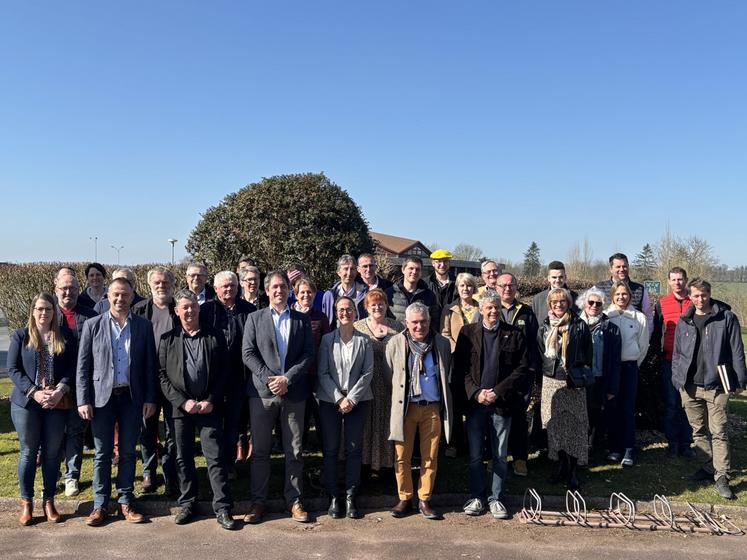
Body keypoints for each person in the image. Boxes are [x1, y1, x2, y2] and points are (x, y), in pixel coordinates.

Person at [76, 277, 158, 526]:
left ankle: (125, 501)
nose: (120, 299)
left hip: (132, 399)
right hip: (102, 399)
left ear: (133, 297)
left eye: (125, 295)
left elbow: (150, 366)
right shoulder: (93, 325)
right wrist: (83, 400)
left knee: (127, 452)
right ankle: (100, 505)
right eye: (116, 295)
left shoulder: (143, 326)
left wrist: (151, 398)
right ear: (108, 297)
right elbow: (83, 366)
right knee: (101, 454)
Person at [241, 271, 315, 524]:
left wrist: (287, 379)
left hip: (293, 393)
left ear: (289, 289)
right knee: (260, 451)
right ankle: (258, 502)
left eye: (283, 286)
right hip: (262, 394)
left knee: (294, 450)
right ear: (266, 290)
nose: (279, 291)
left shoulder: (301, 320)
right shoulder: (254, 318)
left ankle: (294, 501)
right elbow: (248, 353)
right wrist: (270, 379)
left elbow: (308, 354)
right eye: (274, 287)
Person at [158, 289, 236, 529]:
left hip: (209, 407)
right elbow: (162, 376)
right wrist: (182, 402)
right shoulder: (167, 339)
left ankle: (222, 507)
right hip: (181, 409)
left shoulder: (215, 336)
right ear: (177, 311)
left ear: (198, 308)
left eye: (193, 306)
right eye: (184, 307)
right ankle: (188, 503)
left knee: (215, 457)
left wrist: (211, 399)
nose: (189, 311)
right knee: (183, 457)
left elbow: (225, 372)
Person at [454, 294, 530, 519]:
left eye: (496, 307)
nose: (493, 311)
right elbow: (460, 369)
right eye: (488, 307)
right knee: (476, 455)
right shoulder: (467, 333)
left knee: (499, 455)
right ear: (481, 308)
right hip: (476, 404)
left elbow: (522, 368)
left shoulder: (515, 334)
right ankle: (477, 496)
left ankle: (496, 498)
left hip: (501, 404)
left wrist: (497, 392)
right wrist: (477, 394)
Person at [672, 278, 747, 500]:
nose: (700, 299)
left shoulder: (726, 318)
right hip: (690, 385)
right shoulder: (684, 320)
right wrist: (677, 380)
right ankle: (708, 467)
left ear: (709, 294)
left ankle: (722, 476)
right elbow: (677, 353)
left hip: (718, 385)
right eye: (695, 295)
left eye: (703, 295)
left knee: (719, 432)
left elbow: (737, 351)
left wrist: (740, 380)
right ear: (690, 296)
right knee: (698, 432)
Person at [7, 293, 76, 525]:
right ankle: (27, 503)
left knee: (52, 453)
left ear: (54, 312)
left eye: (48, 309)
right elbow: (13, 369)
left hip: (56, 403)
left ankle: (49, 501)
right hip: (27, 404)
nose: (43, 313)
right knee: (28, 452)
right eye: (39, 309)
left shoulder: (63, 336)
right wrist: (35, 392)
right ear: (32, 311)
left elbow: (72, 368)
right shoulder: (20, 335)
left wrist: (59, 391)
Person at [386, 302, 453, 520]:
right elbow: (390, 375)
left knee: (430, 457)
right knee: (402, 456)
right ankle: (404, 498)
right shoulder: (396, 343)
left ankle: (424, 498)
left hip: (432, 408)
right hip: (405, 408)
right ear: (406, 323)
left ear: (429, 321)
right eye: (414, 322)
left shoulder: (441, 344)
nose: (419, 326)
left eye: (423, 321)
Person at [316, 296, 374, 519]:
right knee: (330, 449)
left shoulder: (364, 341)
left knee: (353, 450)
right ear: (336, 312)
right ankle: (333, 496)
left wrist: (351, 398)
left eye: (349, 309)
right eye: (341, 309)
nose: (345, 313)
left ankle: (350, 495)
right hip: (330, 401)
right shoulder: (327, 339)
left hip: (357, 401)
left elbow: (367, 372)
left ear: (355, 312)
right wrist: (339, 398)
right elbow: (322, 372)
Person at [200, 271, 256, 473]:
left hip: (238, 377)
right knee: (214, 425)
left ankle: (229, 464)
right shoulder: (206, 310)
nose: (229, 289)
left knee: (233, 424)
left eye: (232, 285)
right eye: (224, 286)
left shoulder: (249, 310)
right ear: (215, 289)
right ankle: (215, 465)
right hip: (213, 378)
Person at [537, 288, 592, 490]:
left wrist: (580, 375)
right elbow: (539, 353)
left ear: (568, 303)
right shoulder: (544, 327)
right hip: (552, 381)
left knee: (575, 427)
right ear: (549, 305)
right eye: (554, 302)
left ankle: (573, 471)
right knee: (555, 427)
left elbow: (588, 355)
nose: (558, 305)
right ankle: (559, 465)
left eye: (562, 301)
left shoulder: (579, 325)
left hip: (574, 383)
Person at [132, 266, 180, 496]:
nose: (161, 286)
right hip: (147, 379)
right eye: (157, 283)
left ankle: (171, 473)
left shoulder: (179, 309)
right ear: (149, 285)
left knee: (173, 429)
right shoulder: (139, 310)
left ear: (173, 285)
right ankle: (149, 471)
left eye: (165, 282)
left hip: (174, 380)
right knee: (147, 429)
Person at [53, 267, 97, 497]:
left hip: (81, 386)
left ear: (79, 290)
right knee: (54, 433)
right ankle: (54, 474)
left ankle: (72, 476)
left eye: (72, 288)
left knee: (75, 432)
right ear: (56, 289)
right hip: (54, 386)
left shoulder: (90, 316)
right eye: (64, 288)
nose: (68, 292)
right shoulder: (48, 314)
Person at [353, 288, 402, 472]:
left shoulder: (397, 327)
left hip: (390, 385)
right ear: (366, 307)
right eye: (373, 304)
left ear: (386, 305)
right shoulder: (358, 327)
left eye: (381, 303)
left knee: (388, 424)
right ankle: (366, 465)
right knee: (366, 424)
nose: (377, 307)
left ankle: (387, 466)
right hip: (366, 385)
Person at [496, 272, 539, 477]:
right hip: (497, 376)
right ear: (496, 288)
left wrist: (531, 369)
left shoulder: (526, 312)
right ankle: (497, 457)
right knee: (497, 417)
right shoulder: (490, 309)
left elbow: (534, 344)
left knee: (519, 416)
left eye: (511, 285)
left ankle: (520, 458)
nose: (507, 289)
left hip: (522, 374)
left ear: (516, 288)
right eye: (503, 285)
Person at [651, 267, 695, 458]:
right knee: (671, 404)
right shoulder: (662, 304)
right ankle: (672, 443)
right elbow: (656, 332)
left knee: (688, 404)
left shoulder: (694, 302)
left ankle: (686, 443)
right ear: (669, 281)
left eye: (680, 279)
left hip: (691, 362)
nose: (677, 283)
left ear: (685, 280)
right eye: (674, 279)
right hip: (669, 361)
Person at [605, 280, 649, 467]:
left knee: (628, 409)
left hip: (630, 367)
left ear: (630, 296)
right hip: (611, 370)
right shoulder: (606, 315)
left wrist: (633, 362)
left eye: (625, 294)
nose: (621, 297)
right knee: (611, 408)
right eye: (618, 294)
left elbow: (643, 345)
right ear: (612, 296)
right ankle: (615, 448)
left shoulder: (639, 317)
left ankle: (629, 449)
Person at [576, 287, 621, 455]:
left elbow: (615, 362)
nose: (594, 306)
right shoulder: (574, 324)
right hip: (578, 379)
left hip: (599, 379)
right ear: (583, 304)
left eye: (598, 303)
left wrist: (612, 388)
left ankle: (590, 449)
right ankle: (577, 448)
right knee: (579, 414)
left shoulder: (611, 328)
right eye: (591, 302)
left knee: (595, 415)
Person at [440, 272, 480, 457]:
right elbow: (444, 333)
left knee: (473, 403)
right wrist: (458, 349)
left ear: (474, 288)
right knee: (455, 403)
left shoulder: (481, 308)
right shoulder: (449, 309)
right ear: (458, 288)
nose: (466, 289)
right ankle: (453, 443)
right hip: (455, 360)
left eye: (469, 285)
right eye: (462, 286)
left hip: (477, 361)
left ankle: (473, 443)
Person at [292, 277, 331, 451]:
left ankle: (325, 448)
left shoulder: (321, 317)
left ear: (315, 294)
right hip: (295, 375)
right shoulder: (289, 314)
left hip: (316, 374)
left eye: (309, 292)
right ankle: (298, 448)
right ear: (296, 294)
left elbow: (327, 345)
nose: (306, 295)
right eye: (302, 292)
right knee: (298, 416)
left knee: (319, 413)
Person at [594, 253, 653, 333]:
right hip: (606, 339)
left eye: (624, 266)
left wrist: (646, 337)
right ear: (611, 269)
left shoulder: (640, 289)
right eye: (618, 267)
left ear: (628, 267)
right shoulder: (599, 288)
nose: (622, 269)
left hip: (633, 340)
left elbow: (648, 316)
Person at [386, 256, 439, 326]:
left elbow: (434, 322)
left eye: (417, 269)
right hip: (396, 335)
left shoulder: (429, 295)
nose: (414, 272)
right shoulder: (390, 293)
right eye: (411, 268)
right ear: (403, 270)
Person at [321, 254, 367, 329]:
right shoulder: (329, 296)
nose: (349, 273)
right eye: (346, 269)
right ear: (338, 272)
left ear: (356, 271)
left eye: (352, 269)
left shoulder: (365, 293)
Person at [425, 249, 456, 323]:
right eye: (438, 261)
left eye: (445, 261)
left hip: (451, 326)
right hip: (431, 328)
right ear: (433, 263)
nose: (442, 265)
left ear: (449, 263)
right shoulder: (425, 284)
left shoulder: (458, 283)